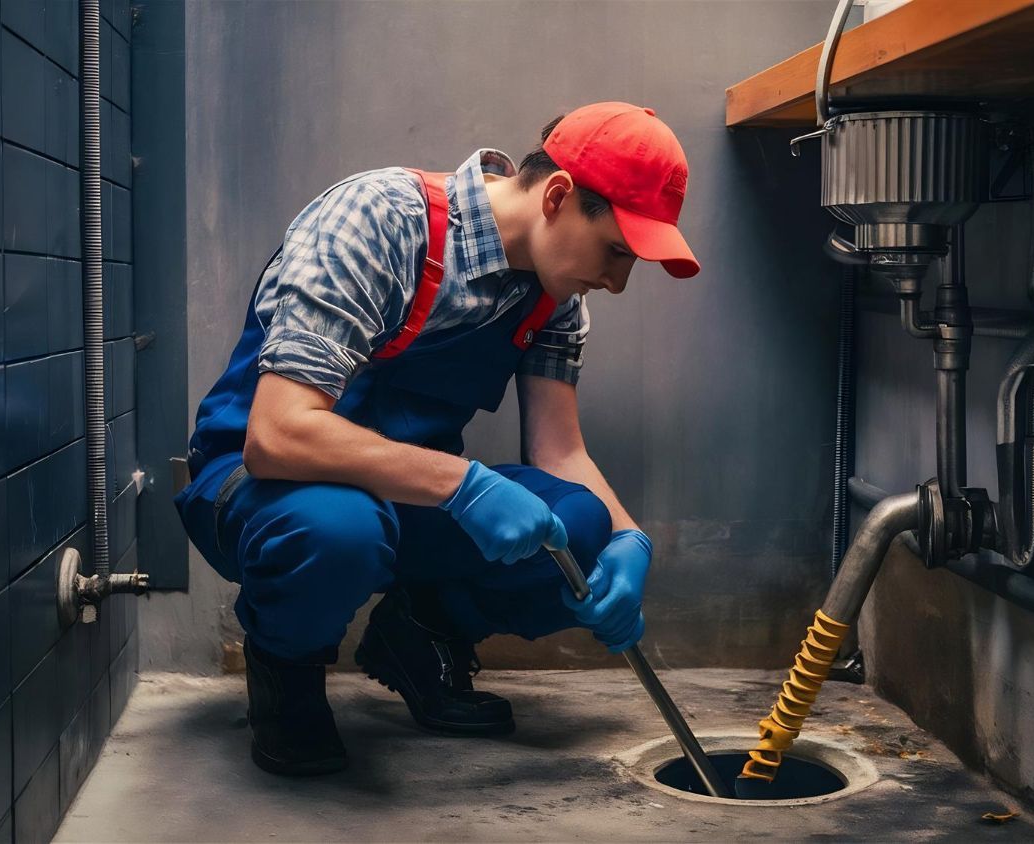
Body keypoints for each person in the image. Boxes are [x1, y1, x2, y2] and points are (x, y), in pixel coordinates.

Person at [174, 102, 699, 776]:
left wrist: (630, 540)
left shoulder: (555, 298)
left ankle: (420, 635)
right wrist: (462, 483)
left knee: (582, 522)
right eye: (616, 252)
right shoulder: (378, 222)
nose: (618, 283)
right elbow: (275, 436)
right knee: (339, 529)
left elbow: (560, 453)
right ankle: (286, 672)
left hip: (407, 499)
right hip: (263, 489)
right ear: (559, 196)